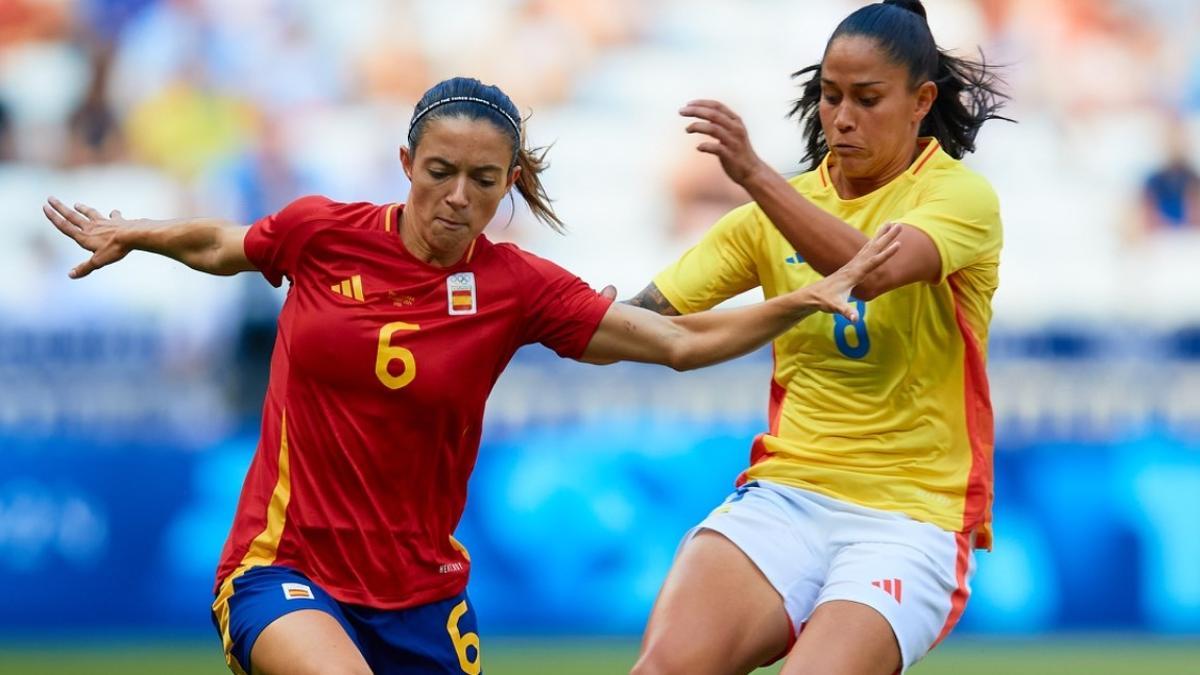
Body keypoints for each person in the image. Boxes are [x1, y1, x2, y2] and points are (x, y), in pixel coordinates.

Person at [42, 76, 900, 675]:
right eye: (441, 171)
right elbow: (225, 245)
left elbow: (676, 343)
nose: (456, 195)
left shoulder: (516, 287)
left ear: (509, 186)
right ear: (407, 161)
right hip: (283, 567)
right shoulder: (322, 233)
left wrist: (798, 301)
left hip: (421, 597)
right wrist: (140, 233)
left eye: (483, 180)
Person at [625, 2, 1008, 674]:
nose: (842, 118)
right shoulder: (774, 213)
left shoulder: (958, 199)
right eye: (830, 97)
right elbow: (647, 316)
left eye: (867, 98)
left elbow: (872, 270)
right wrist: (521, 301)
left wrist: (754, 176)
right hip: (787, 494)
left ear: (922, 101)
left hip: (909, 519)